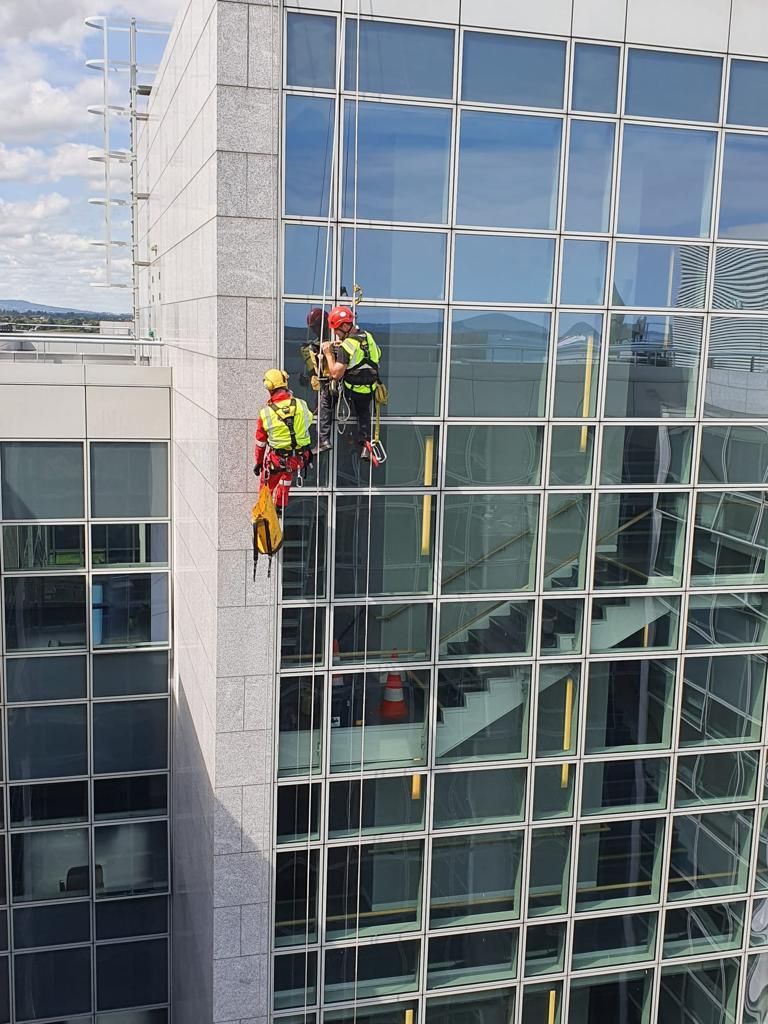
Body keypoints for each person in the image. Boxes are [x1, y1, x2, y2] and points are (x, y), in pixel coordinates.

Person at [317, 305, 381, 460]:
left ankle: (324, 440)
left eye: (337, 331)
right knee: (363, 412)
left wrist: (328, 354)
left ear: (345, 326)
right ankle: (365, 443)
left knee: (326, 399)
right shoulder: (369, 337)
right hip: (369, 388)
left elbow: (335, 374)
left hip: (351, 389)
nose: (337, 335)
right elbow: (377, 354)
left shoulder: (347, 345)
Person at [253, 369, 313, 510]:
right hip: (298, 457)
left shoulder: (266, 413)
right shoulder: (301, 405)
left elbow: (260, 443)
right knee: (286, 476)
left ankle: (264, 508)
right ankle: (280, 505)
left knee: (266, 484)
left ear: (269, 387)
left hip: (278, 459)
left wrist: (259, 462)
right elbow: (308, 421)